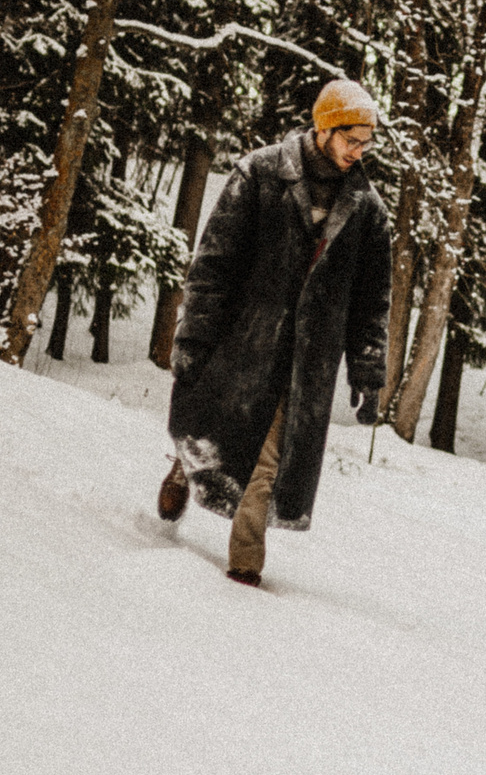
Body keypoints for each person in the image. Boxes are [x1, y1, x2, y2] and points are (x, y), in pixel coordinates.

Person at [156, 80, 392, 586]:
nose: (360, 150)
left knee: (269, 459)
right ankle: (183, 464)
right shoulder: (259, 173)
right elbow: (212, 266)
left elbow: (372, 302)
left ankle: (245, 563)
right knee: (207, 423)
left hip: (309, 360)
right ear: (325, 127)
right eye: (353, 138)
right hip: (240, 339)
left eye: (367, 142)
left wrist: (369, 373)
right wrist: (193, 339)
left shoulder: (368, 211)